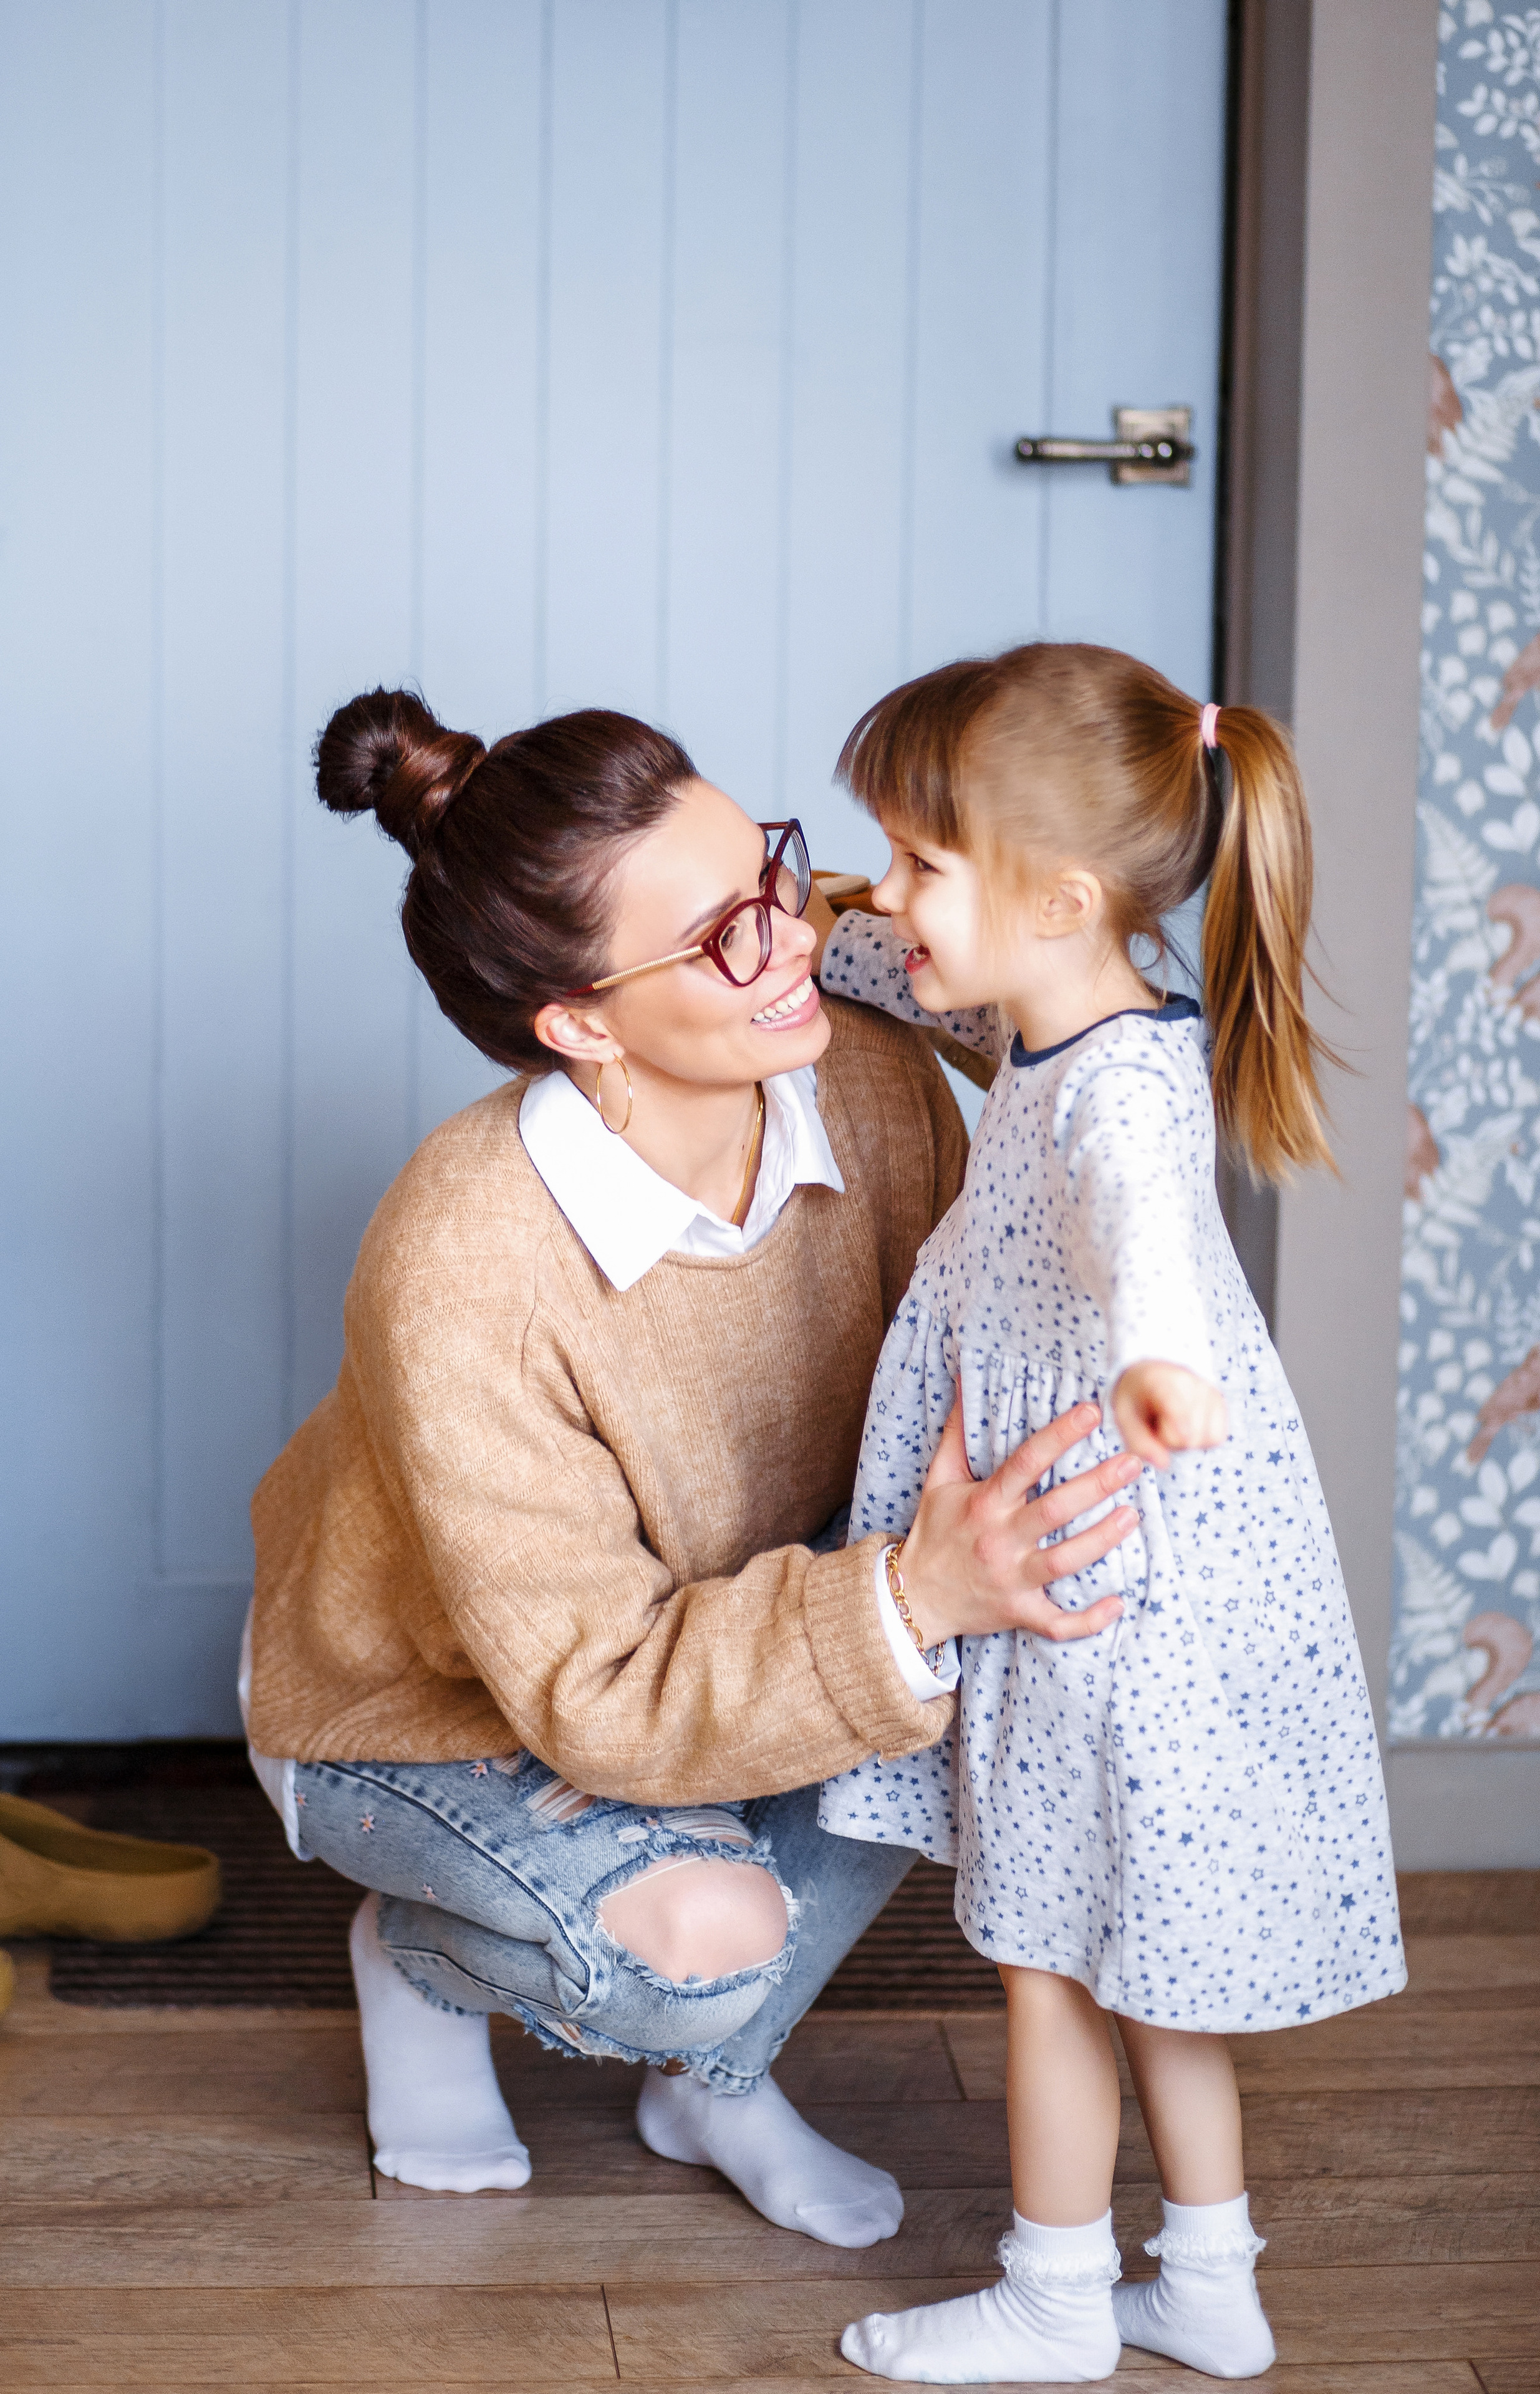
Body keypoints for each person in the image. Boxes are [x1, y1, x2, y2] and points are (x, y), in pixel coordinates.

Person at [242, 689, 1141, 2245]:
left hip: (712, 1644)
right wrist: (913, 1594)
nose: (794, 938)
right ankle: (422, 1955)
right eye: (728, 933)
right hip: (422, 1705)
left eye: (777, 875)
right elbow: (590, 1691)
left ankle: (714, 2082)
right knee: (699, 1937)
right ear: (581, 1022)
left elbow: (1086, 1010)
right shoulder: (462, 1259)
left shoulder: (863, 1083)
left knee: (966, 1660)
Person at [808, 644, 1404, 2381]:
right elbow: (898, 972)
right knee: (1151, 1947)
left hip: (1100, 1577)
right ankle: (1210, 2284)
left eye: (926, 864)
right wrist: (793, 914)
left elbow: (1143, 1216)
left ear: (1059, 897)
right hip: (1138, 1575)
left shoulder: (1120, 1091)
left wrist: (1154, 1360)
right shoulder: (1061, 1012)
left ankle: (1059, 2299)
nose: (896, 897)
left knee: (1050, 1956)